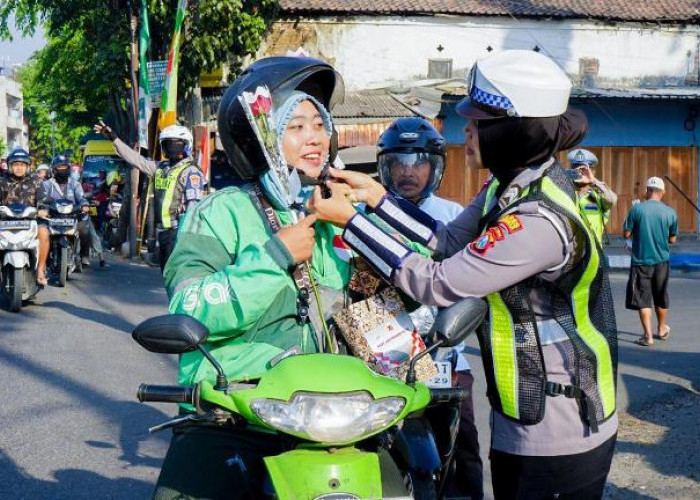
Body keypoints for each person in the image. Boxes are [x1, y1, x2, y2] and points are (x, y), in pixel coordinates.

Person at [312, 50, 619, 499]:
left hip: (560, 426)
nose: (466, 131)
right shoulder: (511, 183)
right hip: (524, 409)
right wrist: (376, 198)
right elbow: (448, 238)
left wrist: (352, 224)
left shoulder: (536, 220)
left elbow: (435, 281)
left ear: (514, 131)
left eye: (478, 122)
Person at [151, 56, 394, 500]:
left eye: (319, 125)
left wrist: (377, 209)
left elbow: (408, 284)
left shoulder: (333, 213)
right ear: (263, 136)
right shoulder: (221, 212)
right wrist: (275, 256)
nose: (315, 138)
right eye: (296, 126)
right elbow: (188, 306)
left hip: (328, 412)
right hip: (236, 410)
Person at [377, 116, 482, 499]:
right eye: (398, 163)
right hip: (383, 357)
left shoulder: (455, 217)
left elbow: (473, 283)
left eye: (419, 162)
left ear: (435, 168)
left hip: (445, 355)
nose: (408, 172)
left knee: (464, 450)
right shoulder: (367, 215)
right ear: (384, 167)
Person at [93, 122, 205, 270]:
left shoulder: (190, 172)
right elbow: (135, 159)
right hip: (163, 233)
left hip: (179, 232)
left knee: (177, 277)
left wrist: (186, 237)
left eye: (177, 143)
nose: (172, 147)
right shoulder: (160, 168)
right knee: (167, 278)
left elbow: (193, 206)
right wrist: (114, 138)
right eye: (168, 143)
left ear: (186, 145)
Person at [623, 176, 677, 347]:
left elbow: (626, 234)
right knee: (661, 296)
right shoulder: (671, 213)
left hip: (641, 261)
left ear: (647, 190)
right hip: (662, 261)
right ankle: (661, 329)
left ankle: (648, 336)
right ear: (663, 193)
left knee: (643, 298)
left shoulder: (637, 209)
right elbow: (672, 239)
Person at [37, 155, 92, 283]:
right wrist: (42, 207)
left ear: (69, 169)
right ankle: (42, 263)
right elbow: (41, 199)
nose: (62, 169)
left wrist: (84, 205)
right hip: (52, 217)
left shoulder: (75, 184)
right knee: (41, 232)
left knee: (84, 229)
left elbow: (81, 197)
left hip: (72, 216)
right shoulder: (46, 184)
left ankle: (84, 255)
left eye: (65, 167)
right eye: (59, 167)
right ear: (54, 169)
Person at [567, 148, 617, 244]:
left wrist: (594, 182)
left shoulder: (599, 196)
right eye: (576, 169)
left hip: (594, 253)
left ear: (592, 172)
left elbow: (612, 200)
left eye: (584, 170)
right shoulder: (564, 193)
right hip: (569, 253)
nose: (580, 173)